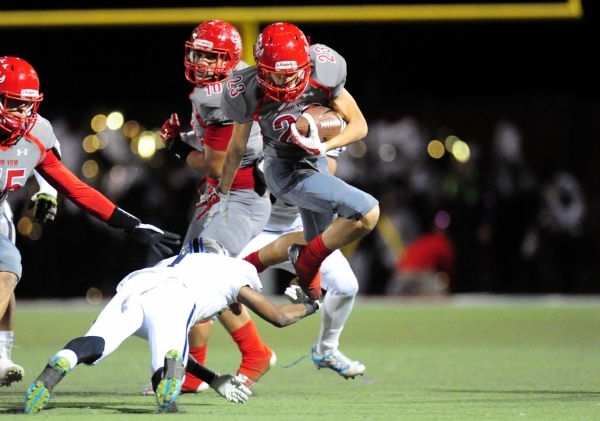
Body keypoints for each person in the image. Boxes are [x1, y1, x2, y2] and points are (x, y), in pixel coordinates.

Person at [0, 56, 181, 388]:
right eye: (13, 105)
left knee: (8, 271)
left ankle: (1, 355)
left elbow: (75, 188)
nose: (22, 116)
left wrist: (132, 225)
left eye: (28, 106)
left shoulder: (37, 132)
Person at [23, 237, 320, 414]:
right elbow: (278, 317)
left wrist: (213, 379)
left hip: (136, 286)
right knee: (167, 363)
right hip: (177, 298)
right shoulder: (231, 269)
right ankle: (167, 388)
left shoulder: (170, 261)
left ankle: (65, 359)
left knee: (97, 341)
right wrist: (312, 305)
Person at [197, 22, 380, 303]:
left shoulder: (324, 71)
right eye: (275, 75)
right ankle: (304, 263)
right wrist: (221, 192)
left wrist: (324, 146)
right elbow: (236, 147)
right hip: (285, 170)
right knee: (368, 212)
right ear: (260, 68)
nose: (283, 83)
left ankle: (247, 270)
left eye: (291, 74)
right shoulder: (245, 90)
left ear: (307, 65)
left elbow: (359, 125)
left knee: (316, 251)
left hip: (315, 162)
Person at [157, 20, 273, 392]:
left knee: (208, 276)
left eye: (212, 55)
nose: (203, 62)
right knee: (186, 277)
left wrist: (176, 146)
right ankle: (193, 374)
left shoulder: (220, 95)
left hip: (239, 196)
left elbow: (216, 164)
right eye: (199, 53)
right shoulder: (236, 78)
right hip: (219, 196)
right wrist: (190, 136)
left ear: (231, 57)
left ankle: (256, 352)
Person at [237, 152, 365, 378]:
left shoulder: (318, 144)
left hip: (303, 230)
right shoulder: (263, 140)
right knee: (221, 283)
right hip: (255, 231)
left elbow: (328, 170)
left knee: (346, 286)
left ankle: (326, 350)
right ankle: (238, 356)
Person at [0, 170, 57, 387]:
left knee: (5, 276)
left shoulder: (18, 138)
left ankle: (1, 354)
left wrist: (48, 190)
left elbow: (44, 146)